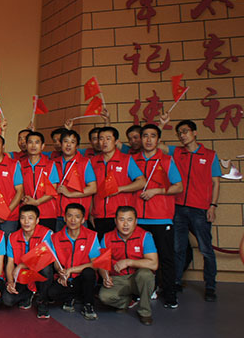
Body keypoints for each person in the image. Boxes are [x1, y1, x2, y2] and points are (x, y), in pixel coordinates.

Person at [169, 119, 221, 302]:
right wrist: (161, 124)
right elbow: (156, 145)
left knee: (206, 249)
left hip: (200, 209)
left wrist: (212, 205)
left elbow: (215, 183)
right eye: (179, 133)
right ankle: (176, 282)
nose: (182, 135)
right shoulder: (176, 152)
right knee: (178, 248)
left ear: (195, 133)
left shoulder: (210, 155)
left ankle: (210, 286)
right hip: (178, 208)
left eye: (185, 131)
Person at [132, 124, 182, 308]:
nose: (148, 139)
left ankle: (170, 294)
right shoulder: (133, 160)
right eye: (145, 135)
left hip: (161, 217)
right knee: (139, 257)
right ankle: (141, 291)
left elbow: (178, 186)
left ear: (158, 140)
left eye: (153, 136)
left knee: (165, 257)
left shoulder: (166, 160)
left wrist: (157, 191)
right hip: (138, 217)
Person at [98, 206, 159, 326]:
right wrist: (105, 276)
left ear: (136, 221)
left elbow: (153, 264)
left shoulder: (145, 236)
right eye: (121, 220)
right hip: (118, 278)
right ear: (115, 221)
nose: (125, 224)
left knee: (146, 274)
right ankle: (126, 301)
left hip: (138, 278)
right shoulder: (107, 237)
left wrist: (128, 262)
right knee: (104, 297)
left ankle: (145, 312)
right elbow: (101, 264)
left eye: (129, 220)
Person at [89, 127, 145, 239]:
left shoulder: (126, 160)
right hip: (99, 215)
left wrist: (120, 189)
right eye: (101, 139)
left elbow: (141, 182)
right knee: (102, 247)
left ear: (116, 141)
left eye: (108, 138)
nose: (104, 142)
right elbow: (91, 189)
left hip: (121, 216)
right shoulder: (93, 161)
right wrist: (91, 213)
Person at [47, 203, 101, 321]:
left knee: (89, 272)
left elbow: (96, 264)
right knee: (51, 293)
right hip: (66, 279)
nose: (73, 220)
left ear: (83, 220)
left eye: (77, 217)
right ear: (64, 218)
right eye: (69, 216)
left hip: (82, 278)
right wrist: (60, 271)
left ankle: (88, 304)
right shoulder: (55, 237)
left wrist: (71, 270)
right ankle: (71, 297)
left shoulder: (91, 236)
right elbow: (55, 261)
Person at [2, 205, 54, 319]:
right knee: (7, 300)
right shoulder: (12, 237)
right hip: (22, 276)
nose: (26, 222)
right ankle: (28, 294)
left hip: (39, 274)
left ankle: (42, 301)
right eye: (23, 218)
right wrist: (10, 282)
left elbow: (44, 258)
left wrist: (21, 265)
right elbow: (10, 263)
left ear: (37, 220)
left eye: (30, 218)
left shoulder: (46, 234)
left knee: (46, 268)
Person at [54, 130, 97, 232]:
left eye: (72, 142)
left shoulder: (84, 163)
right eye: (65, 141)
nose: (68, 145)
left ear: (77, 146)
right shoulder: (54, 163)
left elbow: (93, 188)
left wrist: (70, 194)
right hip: (57, 215)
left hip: (77, 216)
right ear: (60, 144)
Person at [19, 131, 60, 231]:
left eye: (37, 142)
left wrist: (37, 202)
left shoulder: (50, 165)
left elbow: (53, 190)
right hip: (27, 213)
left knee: (45, 240)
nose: (33, 146)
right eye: (30, 142)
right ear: (26, 145)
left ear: (42, 146)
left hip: (47, 213)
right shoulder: (20, 165)